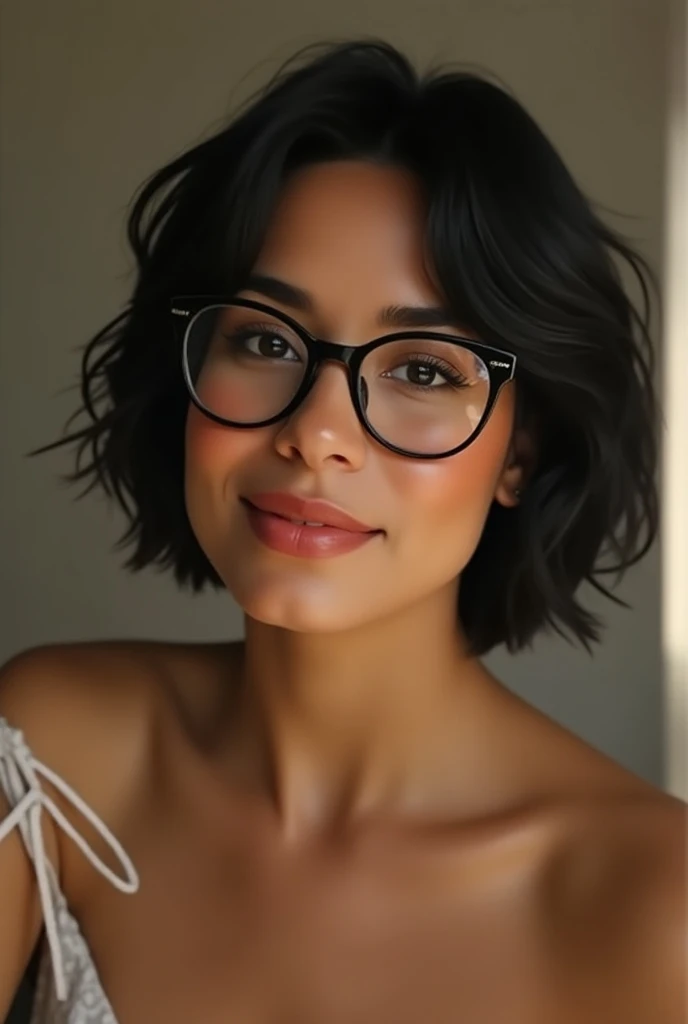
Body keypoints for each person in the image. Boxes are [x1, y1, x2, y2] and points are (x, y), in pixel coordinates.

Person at [0, 39, 685, 1024]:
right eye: (266, 341)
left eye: (421, 370)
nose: (315, 434)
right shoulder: (55, 753)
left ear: (520, 452)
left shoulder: (655, 908)